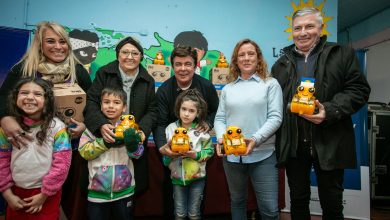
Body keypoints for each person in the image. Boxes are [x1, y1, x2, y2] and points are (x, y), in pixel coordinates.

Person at [271, 7, 371, 220]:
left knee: (332, 203)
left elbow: (359, 90)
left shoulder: (341, 53)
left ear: (321, 28)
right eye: (297, 28)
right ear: (292, 31)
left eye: (309, 26)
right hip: (294, 144)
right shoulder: (280, 64)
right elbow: (274, 102)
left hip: (330, 141)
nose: (303, 32)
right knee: (297, 200)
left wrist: (329, 110)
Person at [0, 21, 92, 220]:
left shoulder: (78, 70)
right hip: (26, 146)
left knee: (57, 197)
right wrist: (5, 118)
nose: (58, 47)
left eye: (63, 41)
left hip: (67, 147)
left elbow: (93, 103)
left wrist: (85, 126)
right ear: (40, 44)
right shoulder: (24, 69)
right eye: (50, 41)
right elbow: (3, 97)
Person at [214, 39, 283, 220]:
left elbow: (276, 117)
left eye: (250, 54)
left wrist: (255, 139)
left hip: (264, 154)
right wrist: (221, 138)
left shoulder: (270, 84)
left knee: (269, 209)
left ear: (258, 58)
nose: (246, 58)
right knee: (237, 202)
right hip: (233, 157)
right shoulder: (228, 88)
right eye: (241, 55)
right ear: (236, 60)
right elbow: (220, 118)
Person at [84, 36, 157, 199]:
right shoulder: (104, 72)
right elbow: (91, 101)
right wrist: (101, 124)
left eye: (135, 53)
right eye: (125, 52)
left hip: (133, 144)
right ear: (118, 55)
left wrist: (142, 131)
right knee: (101, 188)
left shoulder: (148, 80)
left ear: (141, 57)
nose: (129, 57)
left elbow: (152, 110)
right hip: (106, 139)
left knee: (129, 191)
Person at [154, 45, 219, 219]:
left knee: (196, 207)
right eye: (178, 64)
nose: (183, 69)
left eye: (188, 64)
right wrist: (162, 147)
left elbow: (216, 110)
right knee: (175, 204)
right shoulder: (163, 91)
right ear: (172, 65)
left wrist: (208, 122)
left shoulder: (206, 86)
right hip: (173, 156)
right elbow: (160, 123)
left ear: (195, 65)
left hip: (197, 157)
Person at [0, 77, 72, 220]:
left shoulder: (57, 127)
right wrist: (7, 195)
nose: (30, 97)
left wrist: (44, 194)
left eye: (38, 94)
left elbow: (62, 164)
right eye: (24, 93)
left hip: (46, 193)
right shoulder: (7, 129)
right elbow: (2, 161)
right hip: (15, 192)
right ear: (15, 97)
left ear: (47, 100)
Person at [79, 87, 144, 220]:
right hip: (97, 193)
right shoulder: (92, 128)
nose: (111, 106)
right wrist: (105, 143)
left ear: (124, 107)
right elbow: (85, 152)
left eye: (116, 102)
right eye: (106, 102)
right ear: (101, 106)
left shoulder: (131, 127)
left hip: (125, 192)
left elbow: (137, 155)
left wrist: (132, 146)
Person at [159, 89, 214, 220]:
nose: (187, 114)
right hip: (177, 178)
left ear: (198, 113)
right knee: (179, 214)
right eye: (184, 109)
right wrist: (171, 155)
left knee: (194, 213)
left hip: (198, 178)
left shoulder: (201, 130)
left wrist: (194, 155)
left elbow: (210, 151)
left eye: (191, 111)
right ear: (178, 109)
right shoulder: (170, 129)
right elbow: (165, 156)